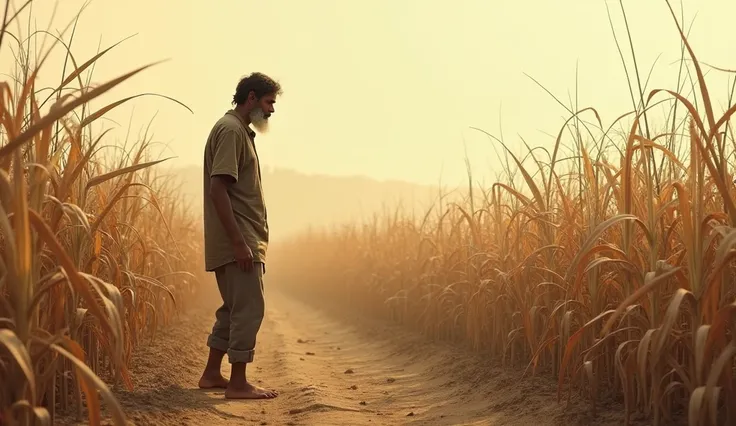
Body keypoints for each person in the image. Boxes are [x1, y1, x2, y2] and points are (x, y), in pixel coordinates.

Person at [197, 72, 281, 399]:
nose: (272, 110)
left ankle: (211, 374)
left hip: (240, 241)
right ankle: (238, 384)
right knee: (249, 309)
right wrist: (239, 243)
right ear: (251, 97)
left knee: (233, 309)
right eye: (268, 102)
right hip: (239, 243)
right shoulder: (231, 131)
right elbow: (218, 188)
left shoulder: (236, 131)